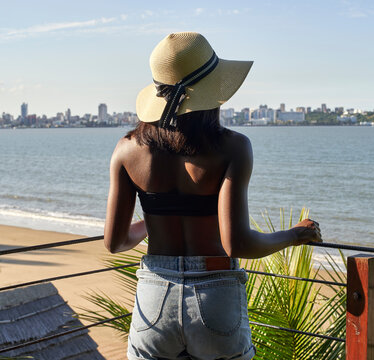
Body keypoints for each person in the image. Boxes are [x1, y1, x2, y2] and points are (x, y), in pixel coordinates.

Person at [104, 32, 322, 360]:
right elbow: (238, 244)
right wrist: (296, 234)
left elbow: (115, 241)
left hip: (154, 302)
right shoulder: (233, 147)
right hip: (214, 296)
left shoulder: (126, 151)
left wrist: (154, 219)